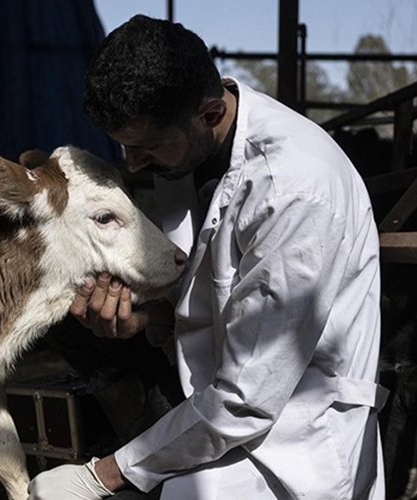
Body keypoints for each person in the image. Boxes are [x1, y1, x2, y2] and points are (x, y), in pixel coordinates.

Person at [28, 14, 386, 500]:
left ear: (211, 113)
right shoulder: (191, 146)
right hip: (206, 384)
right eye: (124, 146)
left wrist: (102, 476)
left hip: (286, 429)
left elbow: (247, 400)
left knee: (187, 494)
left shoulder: (294, 191)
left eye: (148, 146)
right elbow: (211, 283)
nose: (133, 164)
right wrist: (149, 318)